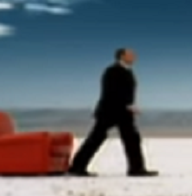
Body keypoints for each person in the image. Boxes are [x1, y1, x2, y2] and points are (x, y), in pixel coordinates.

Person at [67, 47, 158, 177]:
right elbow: (111, 91)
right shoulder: (112, 71)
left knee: (132, 138)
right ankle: (77, 167)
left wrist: (129, 106)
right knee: (96, 138)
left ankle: (136, 168)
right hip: (109, 111)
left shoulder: (127, 71)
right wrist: (127, 105)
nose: (134, 56)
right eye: (130, 54)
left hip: (123, 112)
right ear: (122, 56)